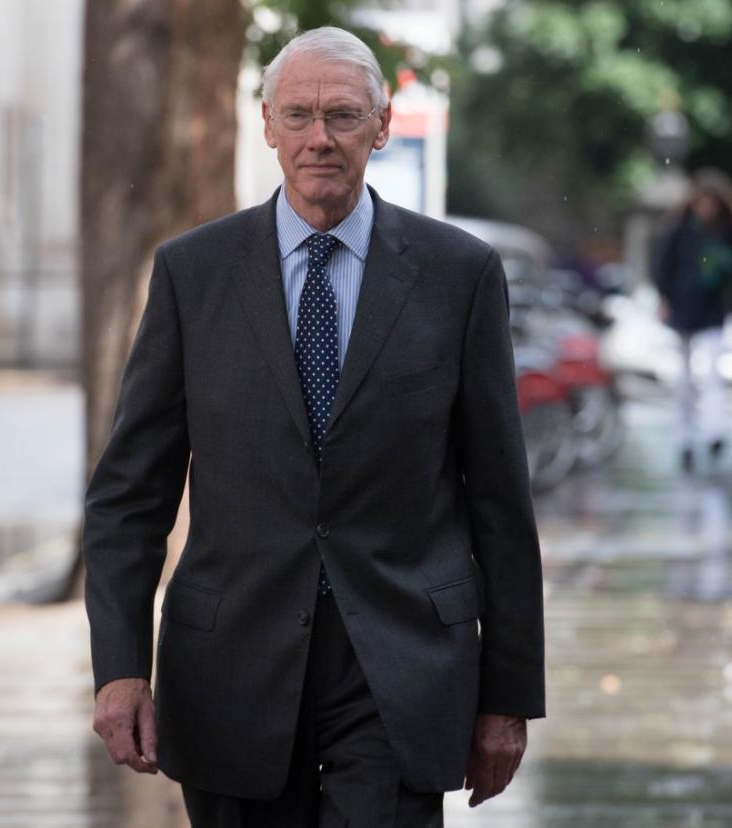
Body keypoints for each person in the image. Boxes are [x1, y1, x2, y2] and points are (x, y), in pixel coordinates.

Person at [82, 27, 545, 827]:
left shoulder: (459, 275)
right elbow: (130, 495)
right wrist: (120, 668)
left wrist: (508, 695)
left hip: (399, 666)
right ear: (267, 125)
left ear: (381, 124)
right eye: (298, 115)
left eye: (341, 115)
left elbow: (499, 500)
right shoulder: (194, 274)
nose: (319, 138)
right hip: (231, 669)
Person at [654, 168, 732, 471]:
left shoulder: (727, 232)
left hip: (712, 311)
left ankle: (713, 432)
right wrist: (665, 298)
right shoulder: (680, 229)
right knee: (683, 380)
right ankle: (685, 439)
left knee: (711, 375)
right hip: (683, 309)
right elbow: (663, 265)